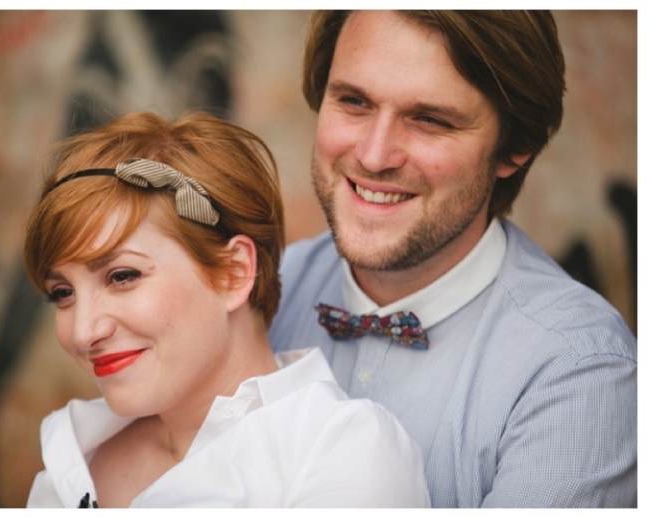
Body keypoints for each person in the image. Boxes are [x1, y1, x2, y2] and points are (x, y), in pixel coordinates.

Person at [269, 10, 636, 508]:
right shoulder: (268, 289)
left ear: (516, 147)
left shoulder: (579, 376)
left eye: (430, 120)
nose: (375, 156)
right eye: (354, 102)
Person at [23, 111, 430, 508]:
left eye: (122, 276)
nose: (82, 332)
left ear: (234, 273)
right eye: (62, 293)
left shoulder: (340, 453)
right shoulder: (78, 455)